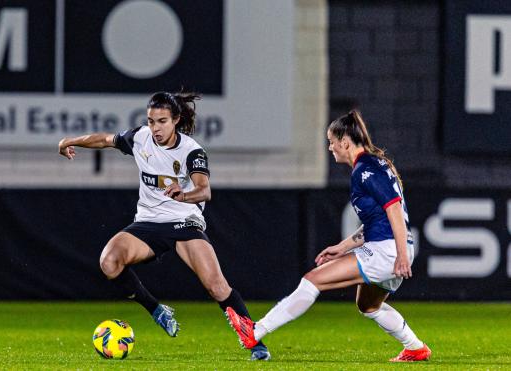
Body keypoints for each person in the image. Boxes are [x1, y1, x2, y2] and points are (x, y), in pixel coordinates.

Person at [58, 91, 271, 361]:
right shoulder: (140, 138)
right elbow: (105, 139)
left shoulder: (191, 150)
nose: (155, 128)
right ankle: (156, 310)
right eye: (150, 121)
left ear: (176, 120)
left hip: (184, 221)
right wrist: (69, 140)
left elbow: (204, 191)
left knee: (216, 286)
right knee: (109, 262)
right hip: (148, 222)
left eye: (161, 121)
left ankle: (254, 342)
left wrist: (184, 194)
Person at [226, 110, 431, 362]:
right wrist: (342, 247)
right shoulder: (374, 164)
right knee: (368, 305)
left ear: (345, 141)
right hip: (391, 247)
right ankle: (415, 347)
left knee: (313, 280)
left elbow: (394, 209)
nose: (330, 147)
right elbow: (376, 220)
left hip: (387, 250)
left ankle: (255, 331)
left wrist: (400, 255)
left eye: (332, 141)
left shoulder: (365, 170)